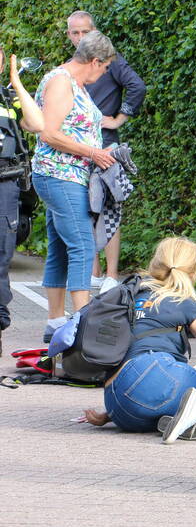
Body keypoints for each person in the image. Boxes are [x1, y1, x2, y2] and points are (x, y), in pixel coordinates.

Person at [81, 237, 196, 442]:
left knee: (171, 394)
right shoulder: (183, 301)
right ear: (193, 271)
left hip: (117, 406)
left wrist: (113, 413)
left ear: (155, 263)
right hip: (152, 374)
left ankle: (182, 418)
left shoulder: (133, 292)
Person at [32, 31, 117, 343]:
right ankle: (83, 324)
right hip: (60, 175)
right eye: (105, 67)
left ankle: (55, 321)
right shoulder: (61, 81)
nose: (104, 73)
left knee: (59, 248)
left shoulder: (73, 83)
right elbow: (49, 134)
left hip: (68, 175)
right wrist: (94, 152)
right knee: (82, 245)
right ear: (95, 61)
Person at [66, 11, 147, 290]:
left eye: (84, 32)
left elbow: (137, 85)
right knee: (86, 209)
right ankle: (94, 271)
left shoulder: (112, 62)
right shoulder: (67, 68)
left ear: (95, 31)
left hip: (106, 145)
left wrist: (119, 117)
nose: (79, 37)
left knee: (109, 209)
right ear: (68, 35)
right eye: (74, 33)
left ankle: (111, 275)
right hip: (79, 147)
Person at [0, 48, 44, 352]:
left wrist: (17, 83)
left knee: (1, 258)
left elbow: (37, 124)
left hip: (5, 185)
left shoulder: (7, 98)